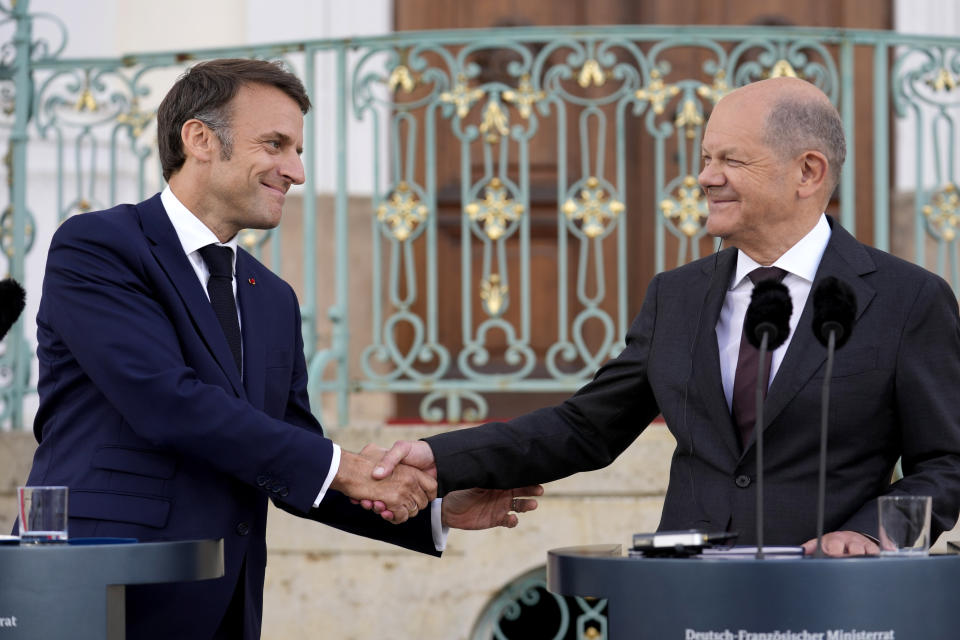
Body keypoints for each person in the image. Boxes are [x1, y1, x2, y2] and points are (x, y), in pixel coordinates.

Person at [19, 58, 541, 640]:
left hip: (227, 601)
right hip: (105, 590)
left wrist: (433, 509)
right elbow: (165, 401)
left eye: (298, 150)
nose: (294, 170)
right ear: (198, 139)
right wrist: (349, 468)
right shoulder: (98, 246)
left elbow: (292, 457)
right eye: (275, 144)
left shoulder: (273, 299)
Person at [372, 76, 960, 557]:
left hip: (834, 603)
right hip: (684, 595)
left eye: (730, 159)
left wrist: (870, 534)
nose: (705, 177)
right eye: (706, 157)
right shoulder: (677, 296)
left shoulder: (908, 300)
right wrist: (439, 457)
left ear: (808, 172)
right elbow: (585, 428)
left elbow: (948, 462)